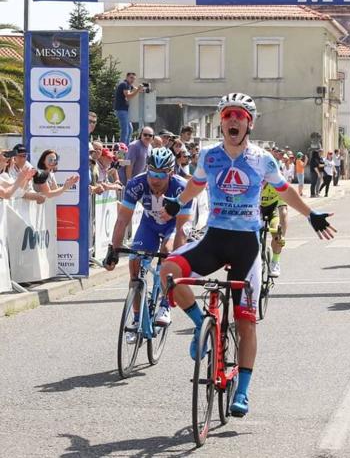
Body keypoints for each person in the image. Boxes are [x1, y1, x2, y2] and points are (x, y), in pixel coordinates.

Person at [135, 93, 335, 418]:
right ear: (221, 121)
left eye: (239, 116)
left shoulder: (262, 159)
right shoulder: (210, 157)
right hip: (214, 239)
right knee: (168, 270)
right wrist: (177, 203)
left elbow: (284, 190)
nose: (233, 120)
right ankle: (203, 327)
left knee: (246, 322)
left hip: (246, 245)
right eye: (228, 115)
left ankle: (242, 389)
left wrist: (310, 214)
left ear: (249, 123)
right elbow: (197, 185)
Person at [104, 148, 193, 338]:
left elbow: (181, 229)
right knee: (134, 264)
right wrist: (113, 250)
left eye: (161, 174)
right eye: (152, 173)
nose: (155, 179)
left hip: (173, 226)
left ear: (170, 172)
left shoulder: (181, 188)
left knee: (168, 255)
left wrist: (176, 259)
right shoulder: (136, 184)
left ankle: (165, 305)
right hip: (149, 225)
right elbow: (122, 220)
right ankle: (137, 319)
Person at [113, 72, 144, 146]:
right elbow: (128, 96)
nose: (132, 80)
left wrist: (142, 89)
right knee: (125, 130)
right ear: (127, 77)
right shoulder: (124, 84)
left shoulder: (129, 85)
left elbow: (138, 90)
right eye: (131, 78)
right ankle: (122, 149)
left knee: (130, 129)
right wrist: (137, 90)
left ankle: (126, 147)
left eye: (134, 78)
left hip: (124, 110)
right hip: (121, 110)